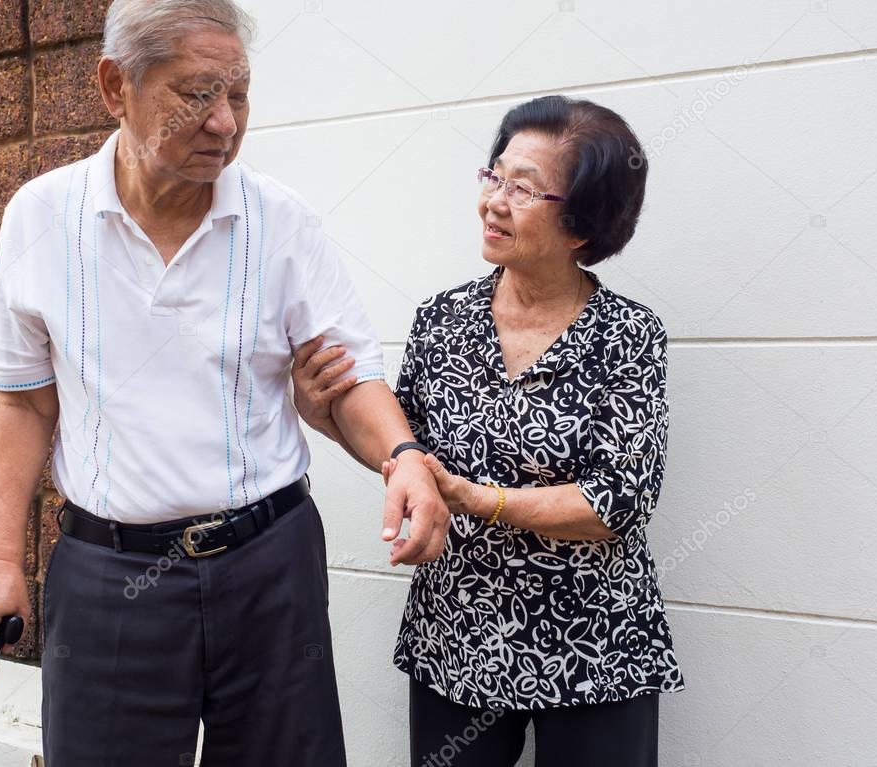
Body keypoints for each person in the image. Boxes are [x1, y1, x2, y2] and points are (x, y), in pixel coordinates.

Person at [0, 1, 450, 765]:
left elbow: (350, 377)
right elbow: (24, 399)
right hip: (109, 575)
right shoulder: (41, 217)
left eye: (239, 95)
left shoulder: (281, 220)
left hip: (268, 564)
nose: (224, 122)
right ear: (115, 86)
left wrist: (404, 455)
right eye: (196, 93)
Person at [292, 94, 685, 766]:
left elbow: (617, 501)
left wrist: (482, 499)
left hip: (594, 645)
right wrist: (321, 414)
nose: (494, 201)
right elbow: (406, 451)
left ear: (582, 224)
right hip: (458, 634)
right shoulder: (442, 319)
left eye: (524, 188)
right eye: (494, 176)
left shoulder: (629, 334)